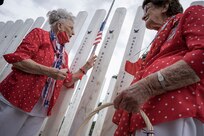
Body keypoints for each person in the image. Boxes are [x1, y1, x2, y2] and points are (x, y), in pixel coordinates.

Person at [113, 0, 204, 136]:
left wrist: (147, 86)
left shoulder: (192, 13)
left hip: (177, 107)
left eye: (148, 9)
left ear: (165, 6)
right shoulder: (159, 40)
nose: (143, 17)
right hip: (147, 110)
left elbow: (201, 55)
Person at [0, 9, 97, 136]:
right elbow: (19, 60)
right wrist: (50, 71)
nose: (73, 33)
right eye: (71, 28)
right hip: (17, 99)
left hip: (40, 110)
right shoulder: (39, 34)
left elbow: (67, 80)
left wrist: (86, 67)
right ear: (60, 25)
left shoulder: (64, 54)